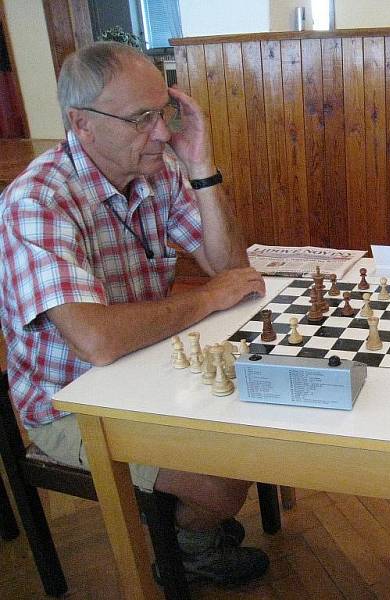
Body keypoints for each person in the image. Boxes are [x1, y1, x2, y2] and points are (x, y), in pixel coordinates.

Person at [0, 42, 270, 586]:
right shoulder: (37, 201)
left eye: (163, 113)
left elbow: (231, 268)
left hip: (146, 369)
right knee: (221, 480)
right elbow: (97, 341)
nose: (164, 133)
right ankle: (186, 545)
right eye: (141, 118)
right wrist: (205, 299)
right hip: (70, 401)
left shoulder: (158, 170)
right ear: (83, 124)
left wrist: (202, 167)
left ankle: (188, 523)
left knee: (259, 425)